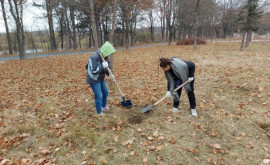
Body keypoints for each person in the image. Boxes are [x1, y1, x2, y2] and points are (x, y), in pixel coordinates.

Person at [86, 41, 116, 116]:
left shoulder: (105, 57)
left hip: (101, 78)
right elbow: (93, 70)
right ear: (106, 51)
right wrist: (103, 66)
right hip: (93, 79)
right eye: (109, 52)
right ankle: (99, 112)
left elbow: (107, 68)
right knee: (99, 95)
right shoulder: (94, 58)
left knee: (105, 92)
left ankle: (103, 106)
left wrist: (110, 75)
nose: (109, 54)